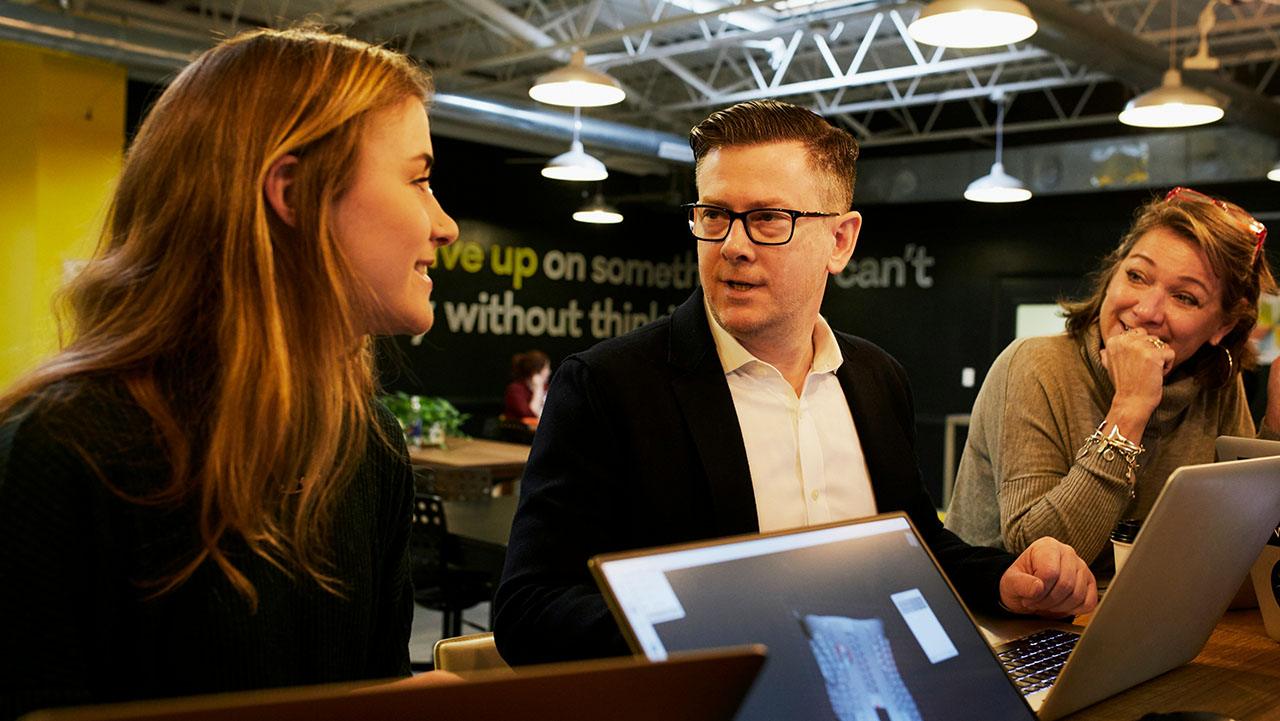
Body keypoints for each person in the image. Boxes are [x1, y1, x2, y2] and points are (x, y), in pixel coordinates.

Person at [492, 100, 1097, 667]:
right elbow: (528, 611)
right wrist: (725, 626)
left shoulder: (877, 378)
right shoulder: (608, 387)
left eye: (767, 219)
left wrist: (1003, 579)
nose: (732, 245)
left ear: (840, 241)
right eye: (714, 215)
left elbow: (916, 545)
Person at [0, 27, 458, 718]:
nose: (445, 225)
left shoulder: (370, 447)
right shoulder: (63, 450)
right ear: (294, 193)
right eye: (419, 179)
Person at [945, 188, 1275, 567]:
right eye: (1136, 276)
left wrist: (1277, 432)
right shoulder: (1035, 365)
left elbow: (1240, 548)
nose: (1147, 310)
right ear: (1112, 274)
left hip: (1143, 599)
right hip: (997, 603)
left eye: (1184, 297)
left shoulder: (1217, 384)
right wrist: (1130, 409)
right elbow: (1037, 557)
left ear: (1223, 326)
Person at [503, 350, 551, 424]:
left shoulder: (546, 388)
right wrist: (538, 389)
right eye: (546, 368)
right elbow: (530, 414)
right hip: (523, 430)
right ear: (536, 372)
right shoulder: (515, 390)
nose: (549, 372)